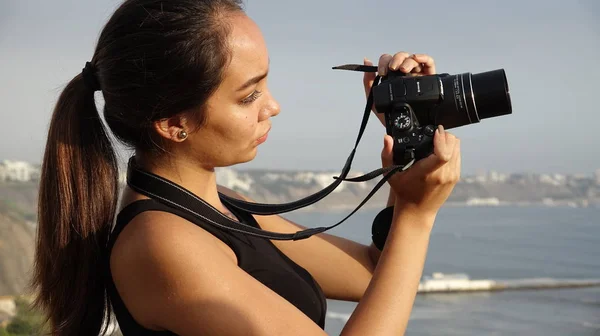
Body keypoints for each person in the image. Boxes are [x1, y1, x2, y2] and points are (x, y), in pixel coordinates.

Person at [32, 0, 461, 335]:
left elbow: (375, 275)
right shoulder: (160, 245)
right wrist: (416, 217)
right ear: (173, 123)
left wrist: (409, 148)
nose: (273, 106)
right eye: (248, 96)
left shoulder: (223, 208)